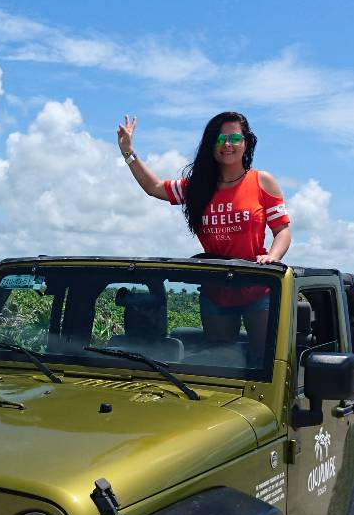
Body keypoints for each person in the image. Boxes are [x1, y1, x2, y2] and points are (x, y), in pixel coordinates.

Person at [118, 111, 291, 357]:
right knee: (221, 359)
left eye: (234, 138)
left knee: (265, 358)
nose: (227, 144)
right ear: (211, 144)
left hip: (257, 286)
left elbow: (282, 230)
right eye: (220, 139)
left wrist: (272, 257)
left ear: (246, 143)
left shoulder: (262, 181)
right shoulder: (197, 186)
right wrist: (128, 152)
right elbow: (154, 188)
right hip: (215, 290)